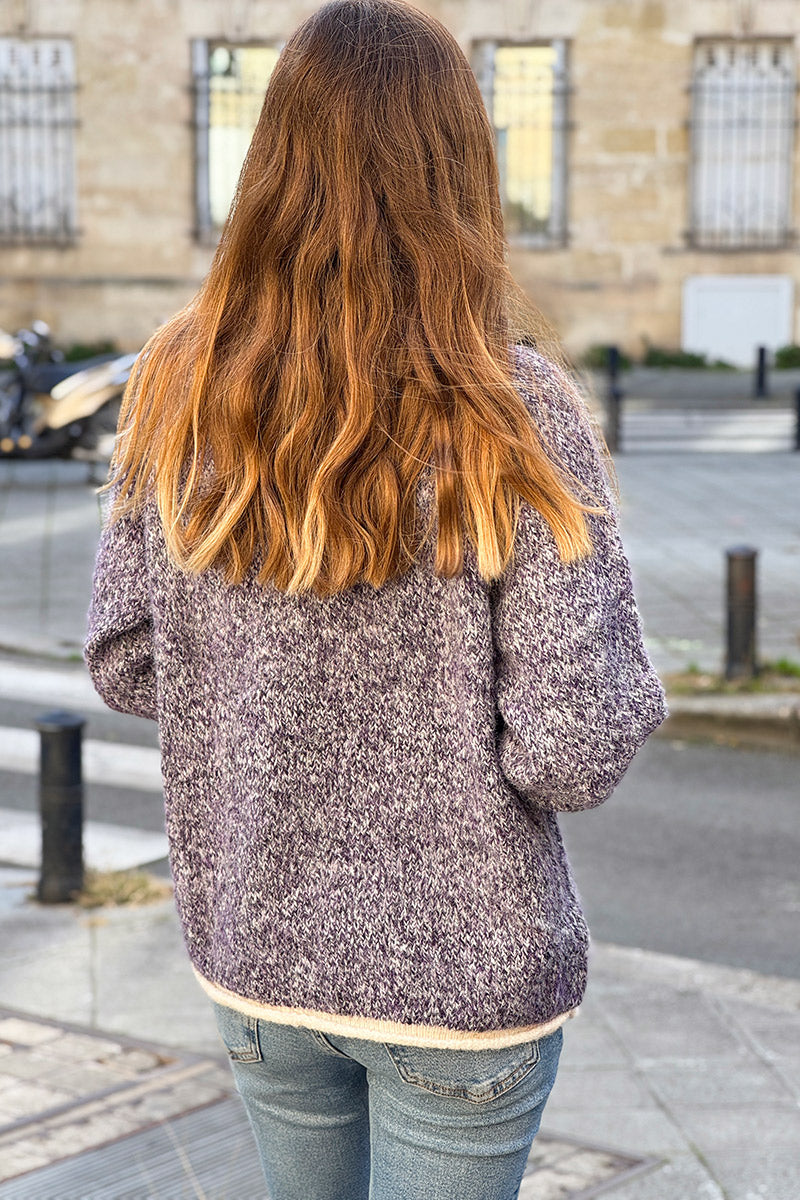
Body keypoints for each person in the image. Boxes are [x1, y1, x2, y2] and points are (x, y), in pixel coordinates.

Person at [85, 2, 668, 1197]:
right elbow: (574, 745)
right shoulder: (514, 408)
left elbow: (127, 658)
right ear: (457, 164)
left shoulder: (177, 386)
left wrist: (262, 678)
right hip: (463, 984)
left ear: (271, 158)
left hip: (258, 951)